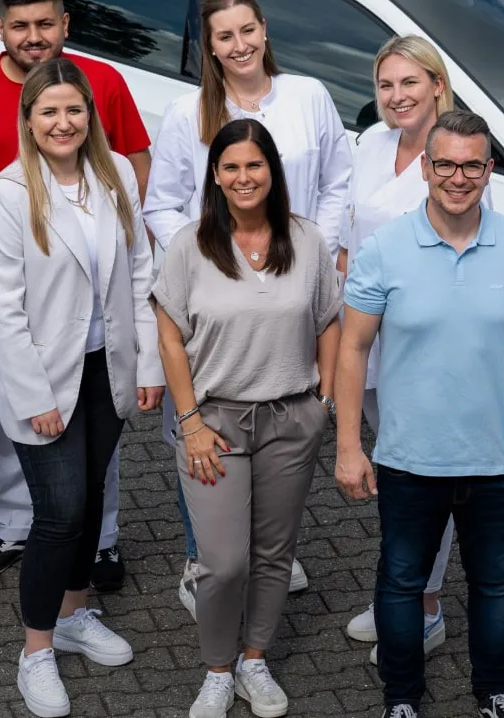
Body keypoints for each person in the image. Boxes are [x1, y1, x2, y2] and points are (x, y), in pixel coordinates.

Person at [335, 110, 504, 718]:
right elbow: (352, 349)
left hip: (495, 459)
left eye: (472, 165)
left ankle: (493, 693)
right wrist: (348, 447)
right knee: (401, 581)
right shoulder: (384, 248)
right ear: (425, 168)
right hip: (408, 458)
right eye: (445, 164)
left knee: (496, 582)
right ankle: (401, 700)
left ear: (489, 170)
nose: (458, 177)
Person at [0, 0, 154, 587]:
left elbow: (134, 159)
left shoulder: (101, 81)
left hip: (87, 272)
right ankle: (16, 528)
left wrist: (113, 232)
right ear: (0, 29)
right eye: (20, 25)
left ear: (65, 23)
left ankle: (101, 541)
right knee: (16, 419)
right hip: (12, 272)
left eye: (44, 23)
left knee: (96, 439)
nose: (33, 36)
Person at [143, 0, 350, 613]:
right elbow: (161, 203)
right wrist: (208, 259)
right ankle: (202, 556)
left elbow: (339, 181)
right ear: (209, 47)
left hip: (292, 291)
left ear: (265, 30)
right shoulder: (187, 113)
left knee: (281, 425)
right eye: (224, 36)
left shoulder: (309, 96)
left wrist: (316, 255)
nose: (240, 45)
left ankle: (268, 553)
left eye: (247, 30)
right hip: (219, 301)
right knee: (208, 425)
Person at [0, 58, 161, 718]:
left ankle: (76, 613)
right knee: (58, 514)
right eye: (49, 111)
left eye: (74, 110)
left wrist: (147, 365)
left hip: (105, 369)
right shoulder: (6, 195)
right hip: (45, 380)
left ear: (90, 116)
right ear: (28, 120)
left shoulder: (114, 181)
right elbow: (4, 311)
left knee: (89, 498)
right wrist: (35, 398)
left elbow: (140, 274)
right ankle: (36, 650)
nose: (63, 122)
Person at [153, 118, 342, 718]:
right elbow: (169, 337)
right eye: (231, 167)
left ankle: (254, 661)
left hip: (291, 419)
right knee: (223, 561)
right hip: (213, 426)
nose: (243, 177)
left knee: (274, 554)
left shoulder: (307, 241)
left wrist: (324, 402)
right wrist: (189, 422)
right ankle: (217, 669)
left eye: (254, 165)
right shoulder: (190, 245)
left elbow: (329, 321)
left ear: (273, 171)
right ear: (215, 175)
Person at [336, 35, 484, 662]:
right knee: (396, 477)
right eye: (386, 85)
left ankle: (426, 609)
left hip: (423, 344)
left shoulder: (455, 158)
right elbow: (346, 240)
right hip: (365, 337)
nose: (396, 96)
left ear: (437, 86)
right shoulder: (371, 143)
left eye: (409, 83)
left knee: (426, 479)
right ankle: (399, 593)